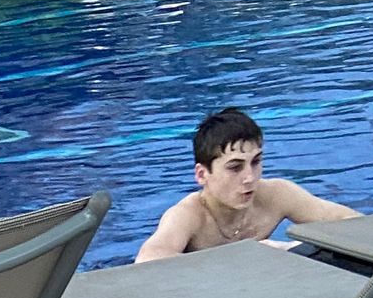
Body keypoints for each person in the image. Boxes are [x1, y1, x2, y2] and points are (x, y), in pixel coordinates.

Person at [137, 104, 358, 261]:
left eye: (256, 162)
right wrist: (248, 257)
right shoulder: (189, 215)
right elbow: (149, 259)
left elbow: (353, 223)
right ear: (202, 174)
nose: (250, 177)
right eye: (235, 167)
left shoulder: (276, 194)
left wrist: (296, 249)